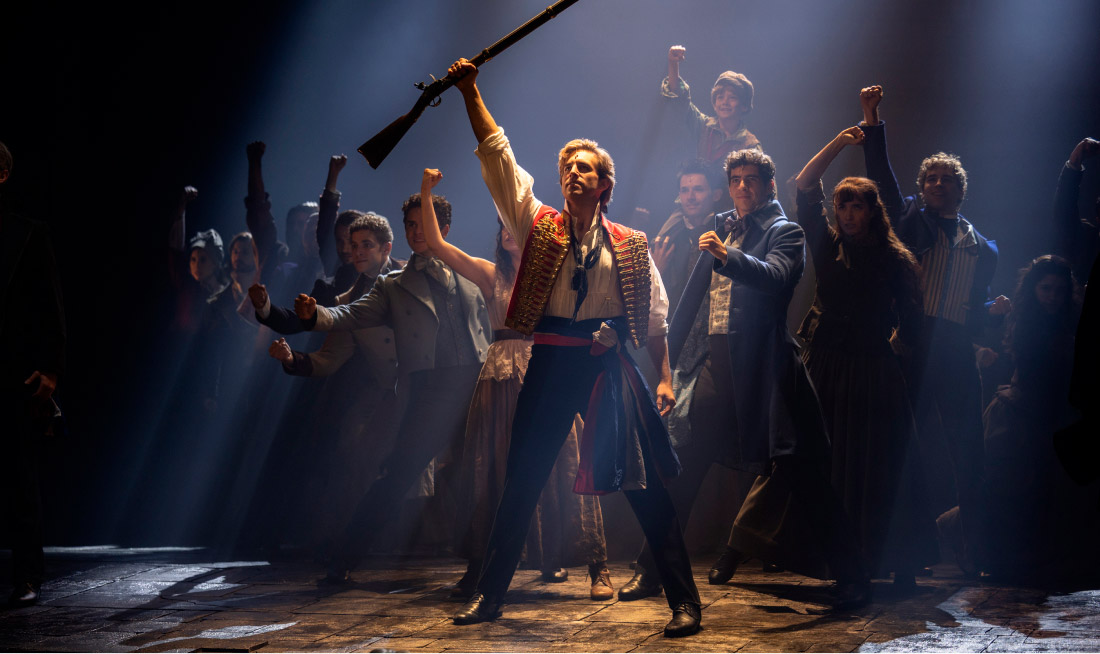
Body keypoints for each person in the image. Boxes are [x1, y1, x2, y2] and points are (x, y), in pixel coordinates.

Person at [448, 57, 701, 638]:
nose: (572, 174)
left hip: (607, 366)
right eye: (566, 167)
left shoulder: (630, 244)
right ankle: (489, 596)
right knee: (522, 480)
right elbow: (499, 160)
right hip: (550, 363)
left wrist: (664, 376)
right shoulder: (538, 226)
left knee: (643, 485)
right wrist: (469, 91)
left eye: (583, 168)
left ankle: (685, 602)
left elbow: (656, 320)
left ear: (604, 184)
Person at [414, 168, 610, 600]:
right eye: (501, 225)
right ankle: (481, 564)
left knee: (564, 462)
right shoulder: (491, 275)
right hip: (500, 378)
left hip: (546, 369)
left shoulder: (557, 272)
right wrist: (426, 192)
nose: (506, 230)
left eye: (512, 224)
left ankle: (587, 563)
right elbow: (440, 246)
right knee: (491, 468)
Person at [293, 189, 491, 582]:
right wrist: (314, 316)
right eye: (410, 225)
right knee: (398, 474)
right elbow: (349, 314)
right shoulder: (395, 283)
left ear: (444, 228)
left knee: (481, 475)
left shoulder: (471, 271)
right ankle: (343, 560)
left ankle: (480, 565)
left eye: (425, 224)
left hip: (476, 383)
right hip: (432, 390)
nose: (416, 232)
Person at [858, 85, 1007, 573]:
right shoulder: (908, 218)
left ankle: (976, 551)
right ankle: (896, 551)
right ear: (922, 187)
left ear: (962, 190)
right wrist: (872, 120)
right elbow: (881, 178)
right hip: (911, 343)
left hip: (955, 347)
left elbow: (972, 305)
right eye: (931, 178)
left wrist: (992, 311)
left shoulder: (983, 247)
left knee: (968, 451)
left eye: (947, 179)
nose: (938, 184)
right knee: (901, 446)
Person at [793, 127, 938, 586]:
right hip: (827, 366)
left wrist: (894, 351)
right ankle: (835, 560)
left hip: (873, 371)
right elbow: (804, 184)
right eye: (842, 206)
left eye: (857, 206)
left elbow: (912, 322)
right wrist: (839, 143)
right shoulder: (826, 245)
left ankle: (898, 560)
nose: (848, 214)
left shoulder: (894, 258)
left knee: (879, 463)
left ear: (873, 211)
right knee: (827, 462)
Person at [1, 140, 65, 607]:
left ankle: (27, 575)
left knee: (18, 475)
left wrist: (51, 370)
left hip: (13, 371)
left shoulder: (27, 233)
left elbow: (50, 306)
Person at [661, 45, 760, 168]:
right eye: (720, 97)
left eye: (732, 98)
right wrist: (673, 64)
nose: (725, 102)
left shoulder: (750, 145)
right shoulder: (704, 126)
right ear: (714, 104)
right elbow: (680, 99)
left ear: (744, 105)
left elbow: (761, 178)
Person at [652, 160, 725, 315]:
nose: (690, 197)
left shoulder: (727, 233)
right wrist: (656, 271)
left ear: (716, 195)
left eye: (698, 189)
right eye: (684, 191)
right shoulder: (668, 238)